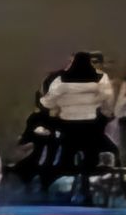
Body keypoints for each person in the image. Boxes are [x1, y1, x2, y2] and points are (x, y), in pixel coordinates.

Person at [40, 51, 113, 193]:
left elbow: (48, 101)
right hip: (91, 123)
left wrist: (62, 103)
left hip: (68, 123)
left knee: (66, 156)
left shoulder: (61, 78)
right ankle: (88, 188)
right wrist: (93, 102)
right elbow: (107, 97)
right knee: (91, 156)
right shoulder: (101, 77)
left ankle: (61, 187)